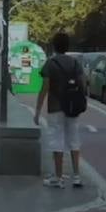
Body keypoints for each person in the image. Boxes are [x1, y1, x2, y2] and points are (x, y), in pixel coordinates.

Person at [34, 32, 85, 189]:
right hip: (72, 108)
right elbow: (83, 82)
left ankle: (58, 177)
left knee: (57, 140)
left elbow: (45, 87)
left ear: (54, 46)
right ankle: (77, 177)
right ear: (68, 46)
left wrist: (37, 110)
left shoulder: (51, 63)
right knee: (74, 140)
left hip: (55, 107)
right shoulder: (75, 63)